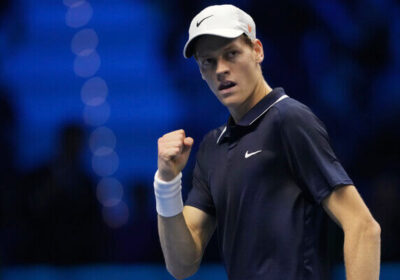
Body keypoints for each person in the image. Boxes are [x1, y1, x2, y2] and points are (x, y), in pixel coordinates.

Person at [154, 4, 381, 280]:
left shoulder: (289, 120)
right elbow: (182, 264)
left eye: (232, 54)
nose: (221, 70)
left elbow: (362, 226)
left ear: (257, 51)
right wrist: (166, 183)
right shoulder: (212, 148)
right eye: (208, 62)